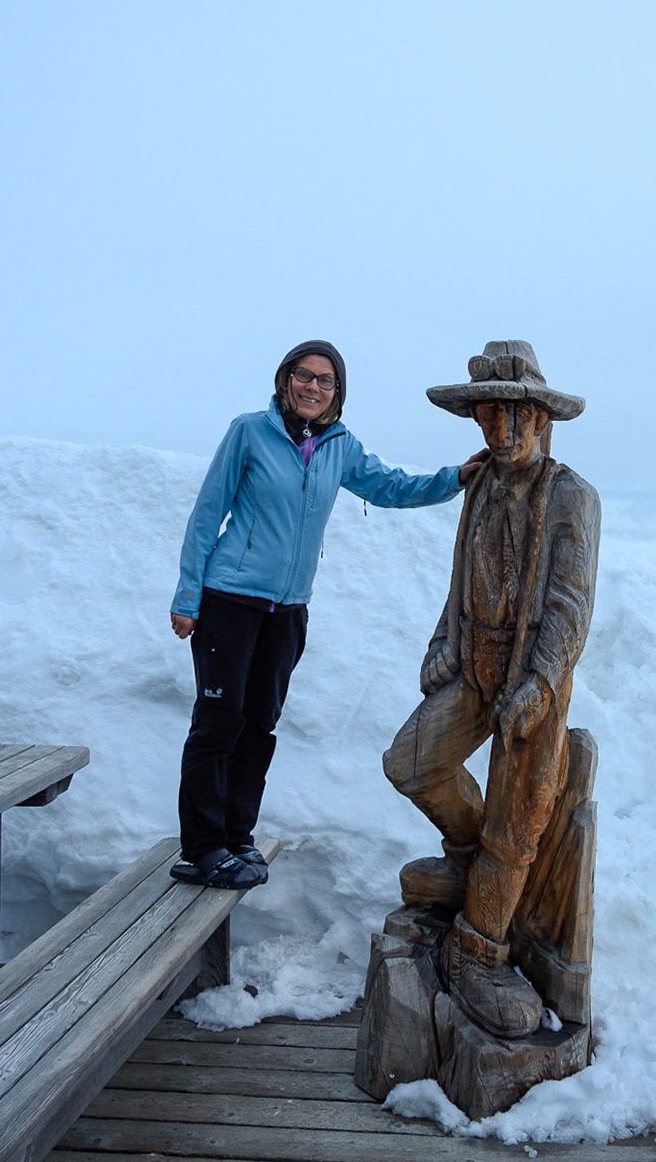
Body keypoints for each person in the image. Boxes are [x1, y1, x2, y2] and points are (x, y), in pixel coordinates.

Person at [170, 340, 487, 889]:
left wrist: (453, 478)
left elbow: (389, 486)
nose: (312, 387)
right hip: (229, 600)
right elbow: (207, 513)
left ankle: (237, 837)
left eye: (325, 380)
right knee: (218, 722)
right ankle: (202, 847)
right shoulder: (249, 431)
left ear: (337, 392)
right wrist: (187, 597)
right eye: (303, 376)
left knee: (259, 725)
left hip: (288, 610)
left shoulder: (339, 446)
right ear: (285, 379)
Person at [384, 339, 600, 1038]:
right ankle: (468, 863)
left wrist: (539, 682)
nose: (501, 432)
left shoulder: (571, 495)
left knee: (520, 820)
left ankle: (482, 946)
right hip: (474, 664)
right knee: (411, 764)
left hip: (532, 678)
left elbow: (571, 604)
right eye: (488, 416)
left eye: (515, 417)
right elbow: (460, 576)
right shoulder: (479, 484)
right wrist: (444, 642)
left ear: (541, 418)